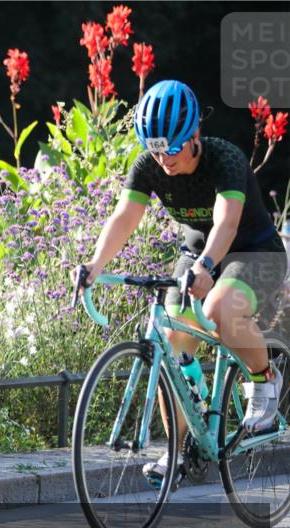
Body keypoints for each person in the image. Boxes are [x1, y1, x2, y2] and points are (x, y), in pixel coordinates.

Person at [72, 80, 287, 482]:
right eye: (154, 148)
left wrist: (207, 266)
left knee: (219, 310)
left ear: (194, 136)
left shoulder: (224, 159)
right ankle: (180, 449)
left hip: (253, 251)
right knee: (171, 346)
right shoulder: (150, 163)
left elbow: (227, 222)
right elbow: (124, 217)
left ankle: (264, 379)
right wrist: (94, 265)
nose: (163, 158)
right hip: (197, 255)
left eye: (171, 148)